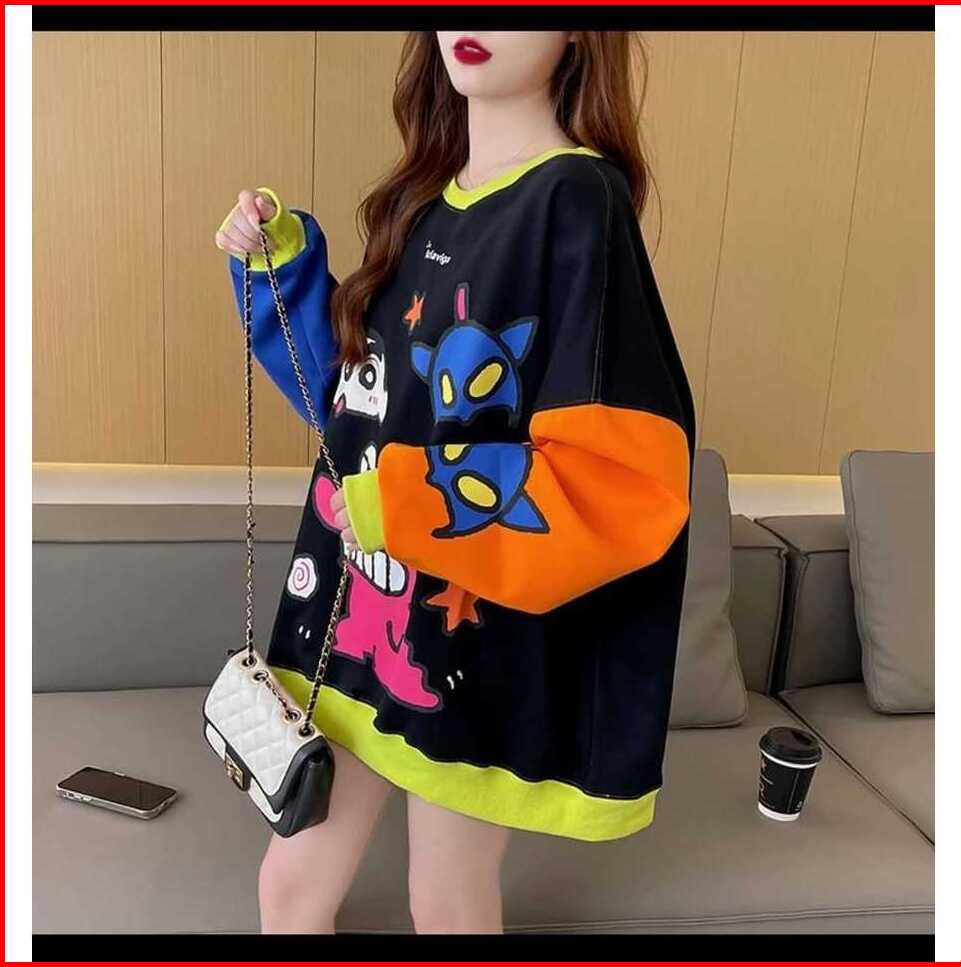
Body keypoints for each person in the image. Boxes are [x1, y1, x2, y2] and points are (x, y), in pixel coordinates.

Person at [215, 30, 696, 936]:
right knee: (290, 889)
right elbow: (357, 400)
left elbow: (620, 472)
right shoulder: (427, 203)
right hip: (358, 626)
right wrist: (282, 266)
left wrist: (401, 502)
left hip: (468, 643)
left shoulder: (575, 201)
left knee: (445, 902)